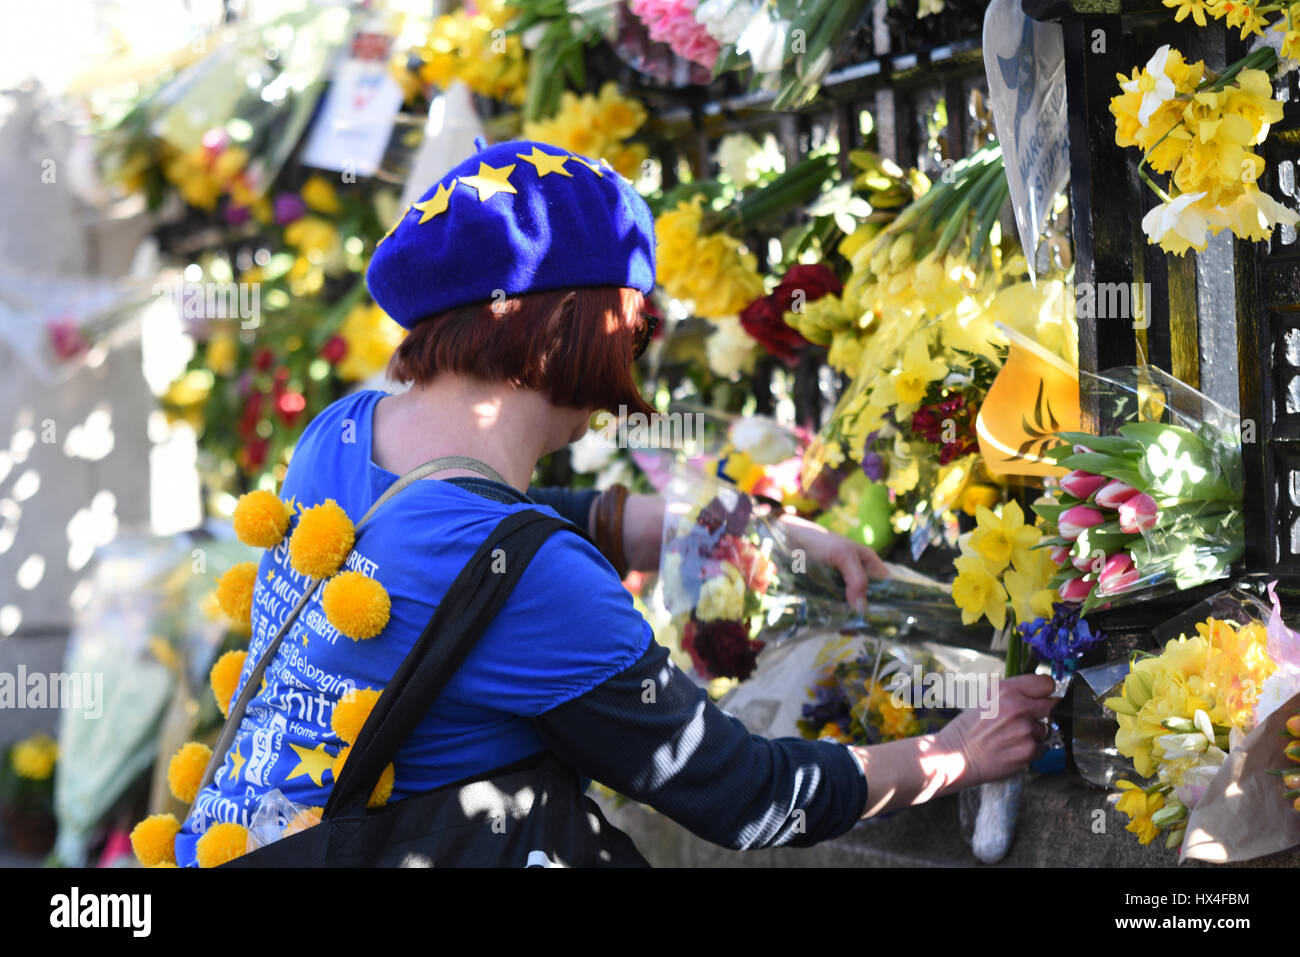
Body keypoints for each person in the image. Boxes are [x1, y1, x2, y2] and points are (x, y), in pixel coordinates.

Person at [174, 138, 1054, 865]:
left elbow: (497, 530)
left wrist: (761, 534)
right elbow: (743, 796)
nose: (632, 357)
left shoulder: (343, 432)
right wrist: (958, 753)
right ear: (570, 330)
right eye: (633, 326)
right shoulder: (536, 582)